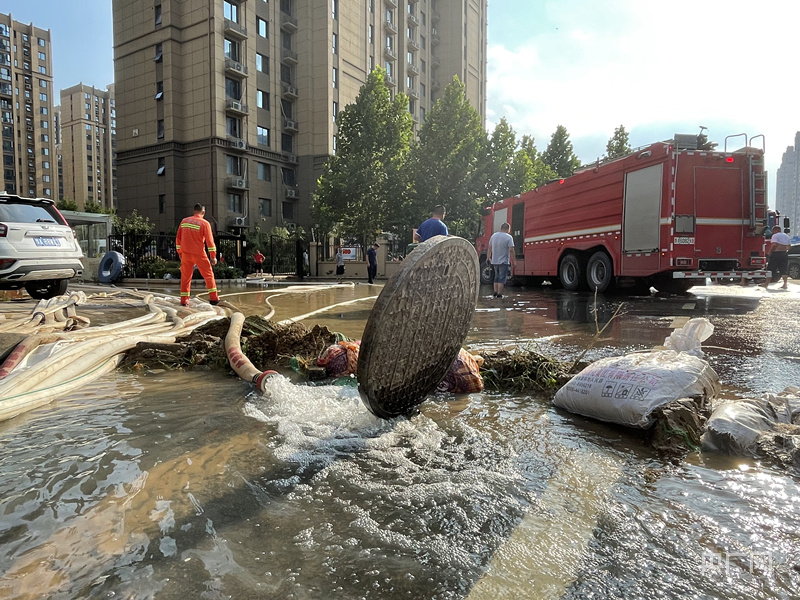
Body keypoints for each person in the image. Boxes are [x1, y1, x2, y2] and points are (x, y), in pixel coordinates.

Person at [176, 203, 219, 306]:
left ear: (193, 211)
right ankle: (214, 299)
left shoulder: (184, 221)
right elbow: (210, 242)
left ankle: (184, 300)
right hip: (199, 253)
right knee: (208, 275)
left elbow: (178, 238)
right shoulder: (205, 223)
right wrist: (213, 257)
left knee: (186, 277)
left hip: (186, 253)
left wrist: (180, 253)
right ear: (203, 212)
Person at [487, 222, 516, 298]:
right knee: (502, 278)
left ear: (501, 228)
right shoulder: (509, 237)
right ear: (508, 229)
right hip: (503, 261)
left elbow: (489, 247)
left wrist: (488, 257)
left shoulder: (493, 236)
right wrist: (514, 261)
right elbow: (511, 250)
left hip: (494, 261)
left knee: (496, 276)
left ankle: (495, 292)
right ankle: (499, 294)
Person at [762, 225, 791, 290]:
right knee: (783, 269)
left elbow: (774, 245)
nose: (772, 232)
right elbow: (789, 246)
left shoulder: (775, 236)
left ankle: (766, 284)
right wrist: (784, 249)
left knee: (770, 268)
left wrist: (770, 252)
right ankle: (785, 284)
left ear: (775, 230)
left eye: (773, 231)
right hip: (784, 253)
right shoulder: (786, 236)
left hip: (776, 254)